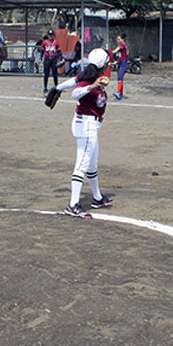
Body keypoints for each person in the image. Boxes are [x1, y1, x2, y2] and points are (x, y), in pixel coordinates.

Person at [51, 48, 113, 219]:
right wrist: (93, 86)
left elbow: (72, 81)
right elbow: (75, 93)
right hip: (85, 125)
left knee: (92, 164)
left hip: (91, 125)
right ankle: (72, 205)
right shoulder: (89, 80)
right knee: (82, 165)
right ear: (104, 65)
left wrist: (57, 87)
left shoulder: (89, 73)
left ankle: (97, 198)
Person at [41, 30, 61, 94]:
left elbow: (59, 51)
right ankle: (45, 87)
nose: (50, 36)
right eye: (49, 35)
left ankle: (56, 86)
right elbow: (42, 50)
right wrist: (41, 58)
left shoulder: (56, 42)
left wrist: (60, 57)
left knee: (55, 74)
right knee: (46, 74)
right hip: (47, 59)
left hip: (53, 59)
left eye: (51, 35)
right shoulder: (44, 42)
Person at [113, 33, 129, 100]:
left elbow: (115, 51)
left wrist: (108, 52)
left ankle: (118, 92)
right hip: (120, 63)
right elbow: (119, 56)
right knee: (120, 78)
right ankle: (120, 94)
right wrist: (115, 62)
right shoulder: (121, 45)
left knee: (120, 78)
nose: (118, 40)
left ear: (122, 39)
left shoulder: (122, 45)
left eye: (119, 39)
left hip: (124, 63)